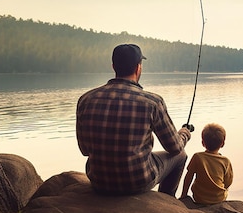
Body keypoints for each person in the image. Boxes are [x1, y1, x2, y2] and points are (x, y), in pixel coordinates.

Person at [76, 43, 191, 196]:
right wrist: (184, 133)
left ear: (113, 66)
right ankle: (167, 199)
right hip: (137, 182)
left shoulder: (86, 99)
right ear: (138, 68)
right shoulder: (152, 102)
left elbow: (84, 150)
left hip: (99, 181)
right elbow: (175, 148)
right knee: (181, 155)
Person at [180, 123, 233, 204]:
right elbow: (228, 182)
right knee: (225, 189)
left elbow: (188, 177)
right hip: (219, 199)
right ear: (222, 144)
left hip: (199, 198)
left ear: (203, 143)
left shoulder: (197, 157)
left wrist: (184, 194)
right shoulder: (226, 161)